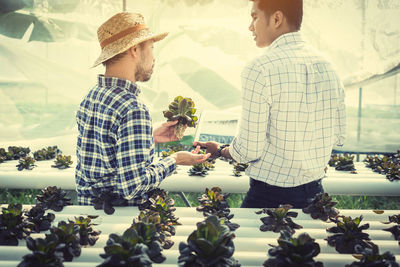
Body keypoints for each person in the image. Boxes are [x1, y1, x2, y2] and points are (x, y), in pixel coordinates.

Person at [194, 0, 346, 208]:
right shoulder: (328, 66)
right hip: (317, 194)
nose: (250, 26)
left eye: (254, 16)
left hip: (270, 197)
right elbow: (338, 134)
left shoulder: (260, 69)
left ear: (276, 18)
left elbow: (249, 150)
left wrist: (221, 150)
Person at [76, 12, 210, 206]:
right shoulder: (133, 108)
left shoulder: (92, 96)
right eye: (152, 48)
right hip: (123, 224)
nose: (154, 58)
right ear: (135, 49)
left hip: (91, 218)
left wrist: (149, 137)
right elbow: (132, 187)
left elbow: (104, 154)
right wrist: (175, 159)